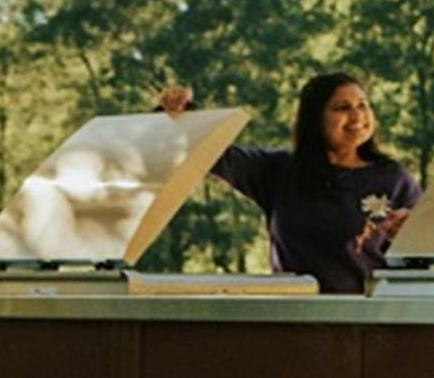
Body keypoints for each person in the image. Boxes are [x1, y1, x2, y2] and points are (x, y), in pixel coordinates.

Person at [158, 72, 419, 295]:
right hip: (291, 319)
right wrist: (183, 114)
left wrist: (413, 234)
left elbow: (430, 260)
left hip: (366, 323)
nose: (357, 116)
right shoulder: (280, 171)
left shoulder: (394, 179)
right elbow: (216, 152)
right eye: (342, 107)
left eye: (363, 105)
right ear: (314, 118)